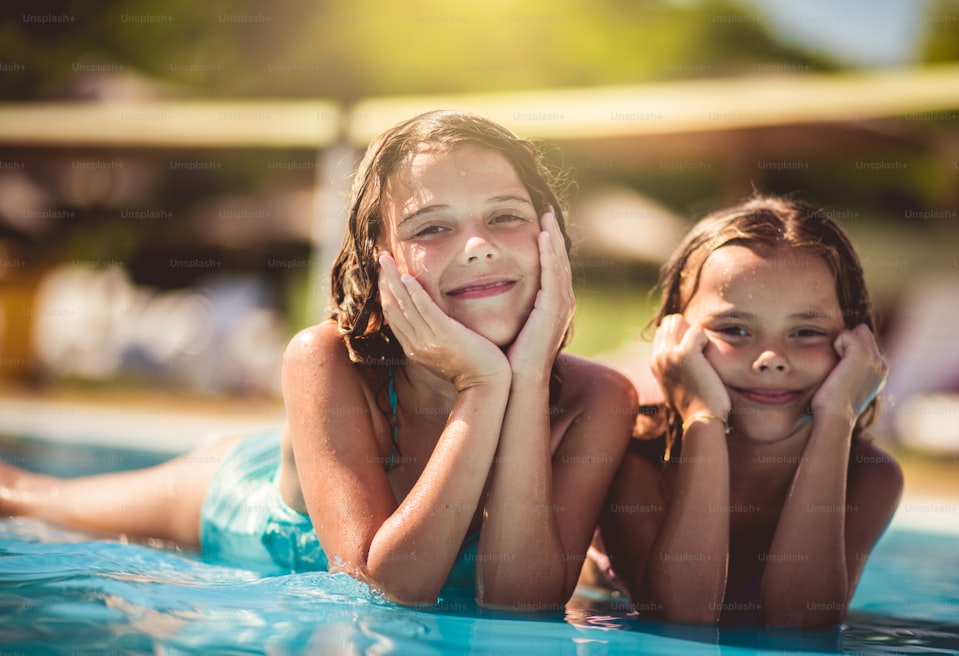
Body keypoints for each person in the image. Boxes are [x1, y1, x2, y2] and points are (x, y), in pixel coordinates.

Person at [0, 110, 637, 609]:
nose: (476, 247)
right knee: (31, 499)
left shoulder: (597, 401)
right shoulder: (325, 358)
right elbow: (386, 589)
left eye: (506, 216)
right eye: (431, 228)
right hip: (241, 492)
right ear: (375, 260)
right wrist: (481, 384)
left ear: (552, 237)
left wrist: (524, 381)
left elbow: (521, 606)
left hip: (327, 449)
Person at [597, 195, 903, 629]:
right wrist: (702, 415)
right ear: (676, 338)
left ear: (855, 344)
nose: (771, 359)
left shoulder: (870, 478)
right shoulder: (633, 459)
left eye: (806, 331)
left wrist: (839, 417)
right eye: (735, 329)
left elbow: (800, 627)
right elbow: (682, 621)